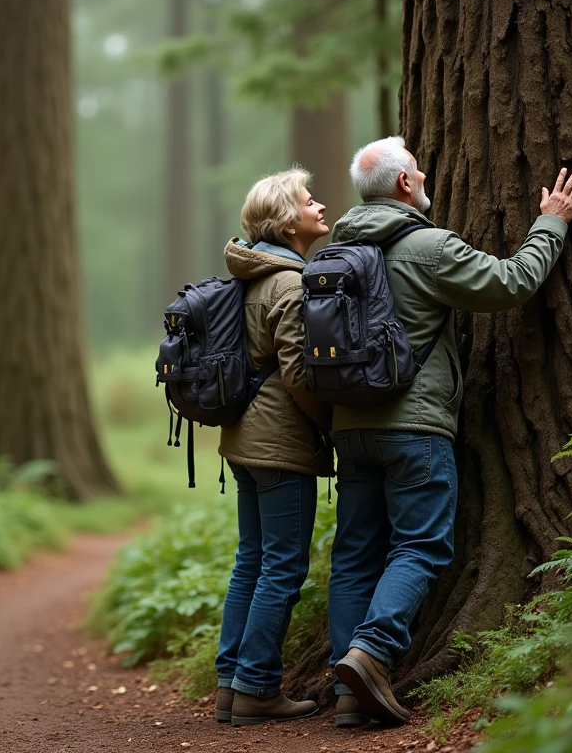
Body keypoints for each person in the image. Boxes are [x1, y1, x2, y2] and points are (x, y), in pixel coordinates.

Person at [325, 137, 572, 727]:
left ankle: (348, 692)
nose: (425, 177)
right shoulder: (427, 245)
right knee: (419, 544)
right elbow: (510, 283)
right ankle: (370, 653)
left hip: (350, 428)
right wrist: (549, 224)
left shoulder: (331, 253)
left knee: (354, 554)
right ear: (402, 185)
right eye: (418, 171)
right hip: (413, 424)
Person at [212, 168, 334, 726]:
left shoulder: (251, 275)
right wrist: (329, 427)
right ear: (289, 222)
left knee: (252, 560)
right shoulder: (288, 282)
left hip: (243, 439)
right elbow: (299, 376)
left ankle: (229, 682)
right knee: (282, 567)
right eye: (310, 201)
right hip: (280, 442)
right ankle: (257, 687)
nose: (320, 206)